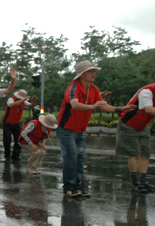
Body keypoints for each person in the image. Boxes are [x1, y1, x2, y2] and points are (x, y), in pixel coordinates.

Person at [57, 60, 135, 197]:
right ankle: (69, 187)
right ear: (81, 74)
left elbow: (102, 105)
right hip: (66, 129)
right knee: (71, 157)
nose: (94, 73)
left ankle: (78, 186)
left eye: (94, 71)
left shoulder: (93, 89)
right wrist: (93, 106)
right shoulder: (73, 87)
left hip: (79, 130)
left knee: (80, 157)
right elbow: (74, 105)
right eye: (90, 71)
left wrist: (120, 109)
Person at [116, 82, 155, 193]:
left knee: (145, 153)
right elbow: (148, 109)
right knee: (134, 154)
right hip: (129, 123)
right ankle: (135, 183)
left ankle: (143, 181)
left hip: (143, 125)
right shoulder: (147, 91)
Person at [2, 89, 37, 161]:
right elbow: (12, 105)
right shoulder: (11, 99)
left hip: (16, 123)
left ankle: (16, 155)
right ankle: (7, 155)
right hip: (7, 122)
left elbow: (30, 106)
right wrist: (22, 100)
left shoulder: (23, 102)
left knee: (18, 140)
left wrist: (34, 101)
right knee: (7, 139)